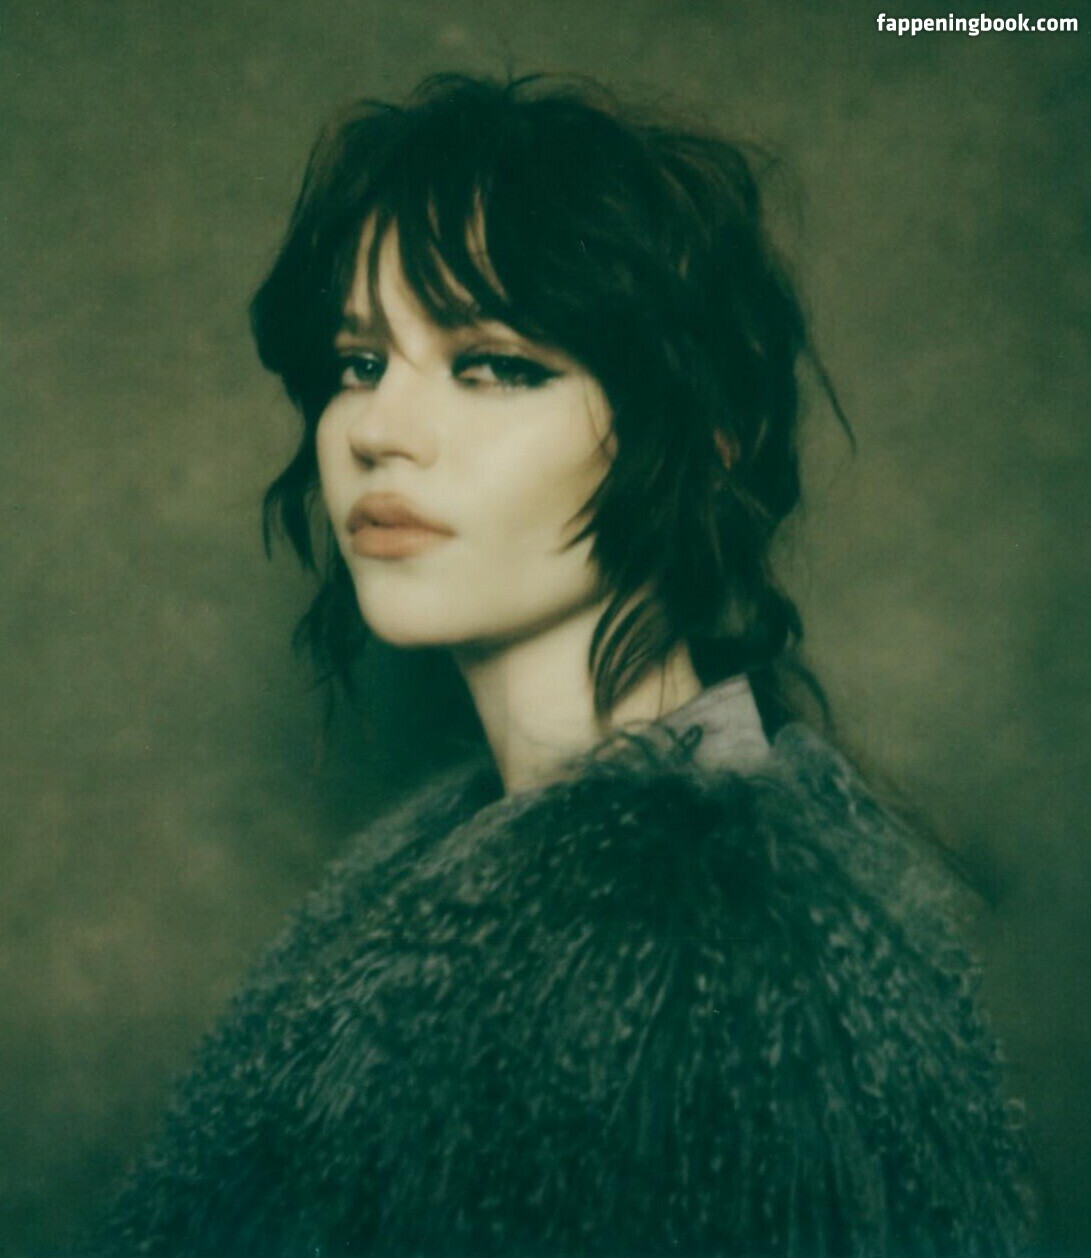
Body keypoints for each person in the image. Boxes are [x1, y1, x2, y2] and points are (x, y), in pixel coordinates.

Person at [99, 73, 1034, 1256]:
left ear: (700, 433)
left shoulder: (688, 963)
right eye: (359, 361)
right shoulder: (485, 871)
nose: (376, 428)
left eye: (495, 365)